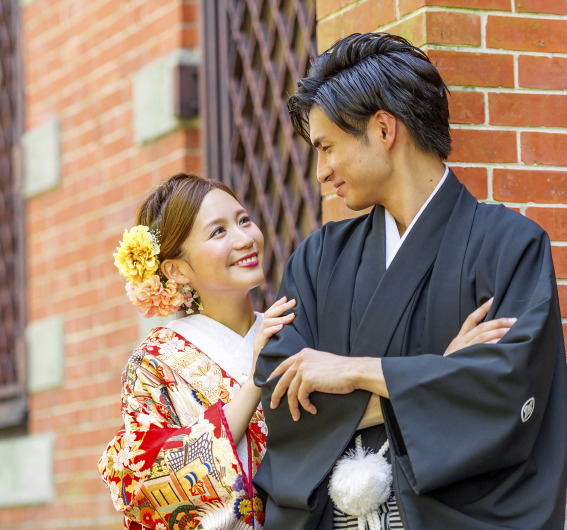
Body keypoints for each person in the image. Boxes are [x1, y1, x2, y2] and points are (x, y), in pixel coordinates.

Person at [252, 33, 567, 530]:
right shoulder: (318, 258)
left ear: (382, 129)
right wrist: (438, 375)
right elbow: (282, 390)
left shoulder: (510, 246)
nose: (321, 172)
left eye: (328, 147)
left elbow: (506, 391)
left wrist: (354, 372)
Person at [98, 173, 294, 529]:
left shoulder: (289, 326)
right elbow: (148, 481)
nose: (245, 239)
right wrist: (255, 380)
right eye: (218, 231)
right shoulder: (155, 362)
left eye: (244, 220)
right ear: (176, 269)